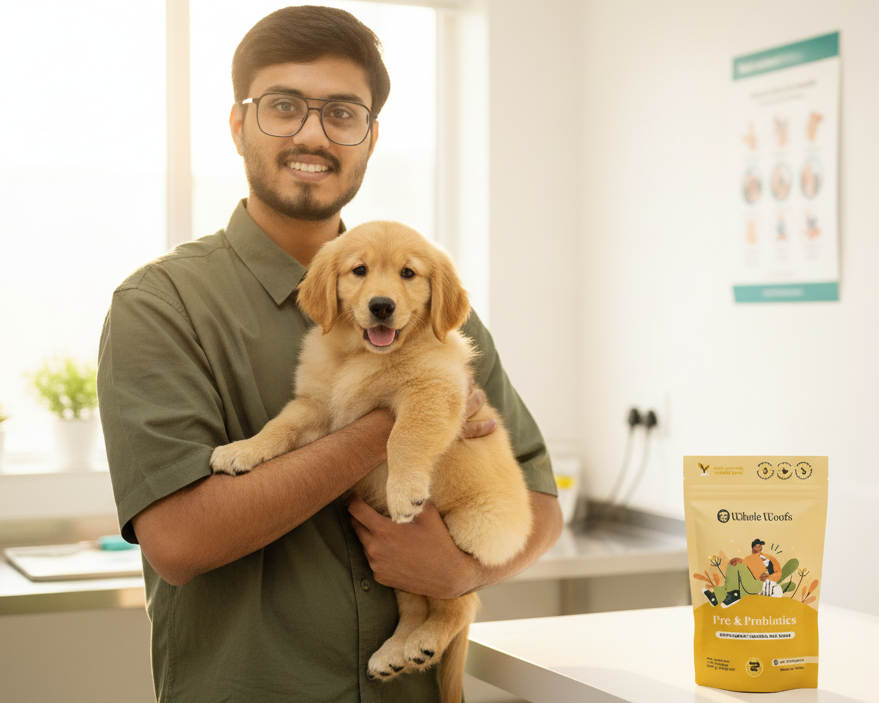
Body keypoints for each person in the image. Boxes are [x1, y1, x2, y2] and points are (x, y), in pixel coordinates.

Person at [96, 6, 562, 703]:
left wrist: (460, 573)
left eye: (342, 113)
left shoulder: (425, 301)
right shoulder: (161, 306)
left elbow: (540, 504)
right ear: (237, 124)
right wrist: (386, 422)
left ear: (369, 138)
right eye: (283, 106)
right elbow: (179, 542)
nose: (313, 133)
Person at [702, 539, 782, 608]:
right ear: (752, 547)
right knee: (734, 563)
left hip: (759, 584)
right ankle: (717, 598)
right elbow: (739, 575)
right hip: (746, 586)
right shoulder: (747, 559)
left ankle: (730, 595)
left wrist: (767, 578)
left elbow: (776, 572)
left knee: (737, 562)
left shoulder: (766, 558)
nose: (759, 548)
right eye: (757, 546)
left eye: (760, 546)